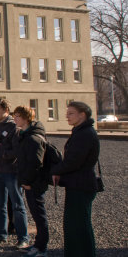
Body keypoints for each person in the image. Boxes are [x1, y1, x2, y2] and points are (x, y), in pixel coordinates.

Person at [51, 101, 100, 257]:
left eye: (71, 113)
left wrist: (55, 170)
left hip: (82, 185)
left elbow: (73, 161)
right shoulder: (80, 131)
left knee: (80, 225)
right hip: (76, 184)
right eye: (67, 113)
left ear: (82, 115)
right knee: (73, 225)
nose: (67, 116)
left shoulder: (85, 133)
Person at [0, 99, 29, 248]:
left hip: (11, 172)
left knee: (17, 205)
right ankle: (0, 234)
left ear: (5, 110)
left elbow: (17, 151)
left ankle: (23, 237)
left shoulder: (14, 127)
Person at [12, 106, 49, 257]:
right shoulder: (24, 135)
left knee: (39, 216)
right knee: (35, 214)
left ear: (26, 118)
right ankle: (37, 244)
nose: (15, 119)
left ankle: (42, 248)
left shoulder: (33, 138)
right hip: (27, 182)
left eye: (18, 116)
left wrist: (27, 181)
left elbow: (35, 163)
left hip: (34, 183)